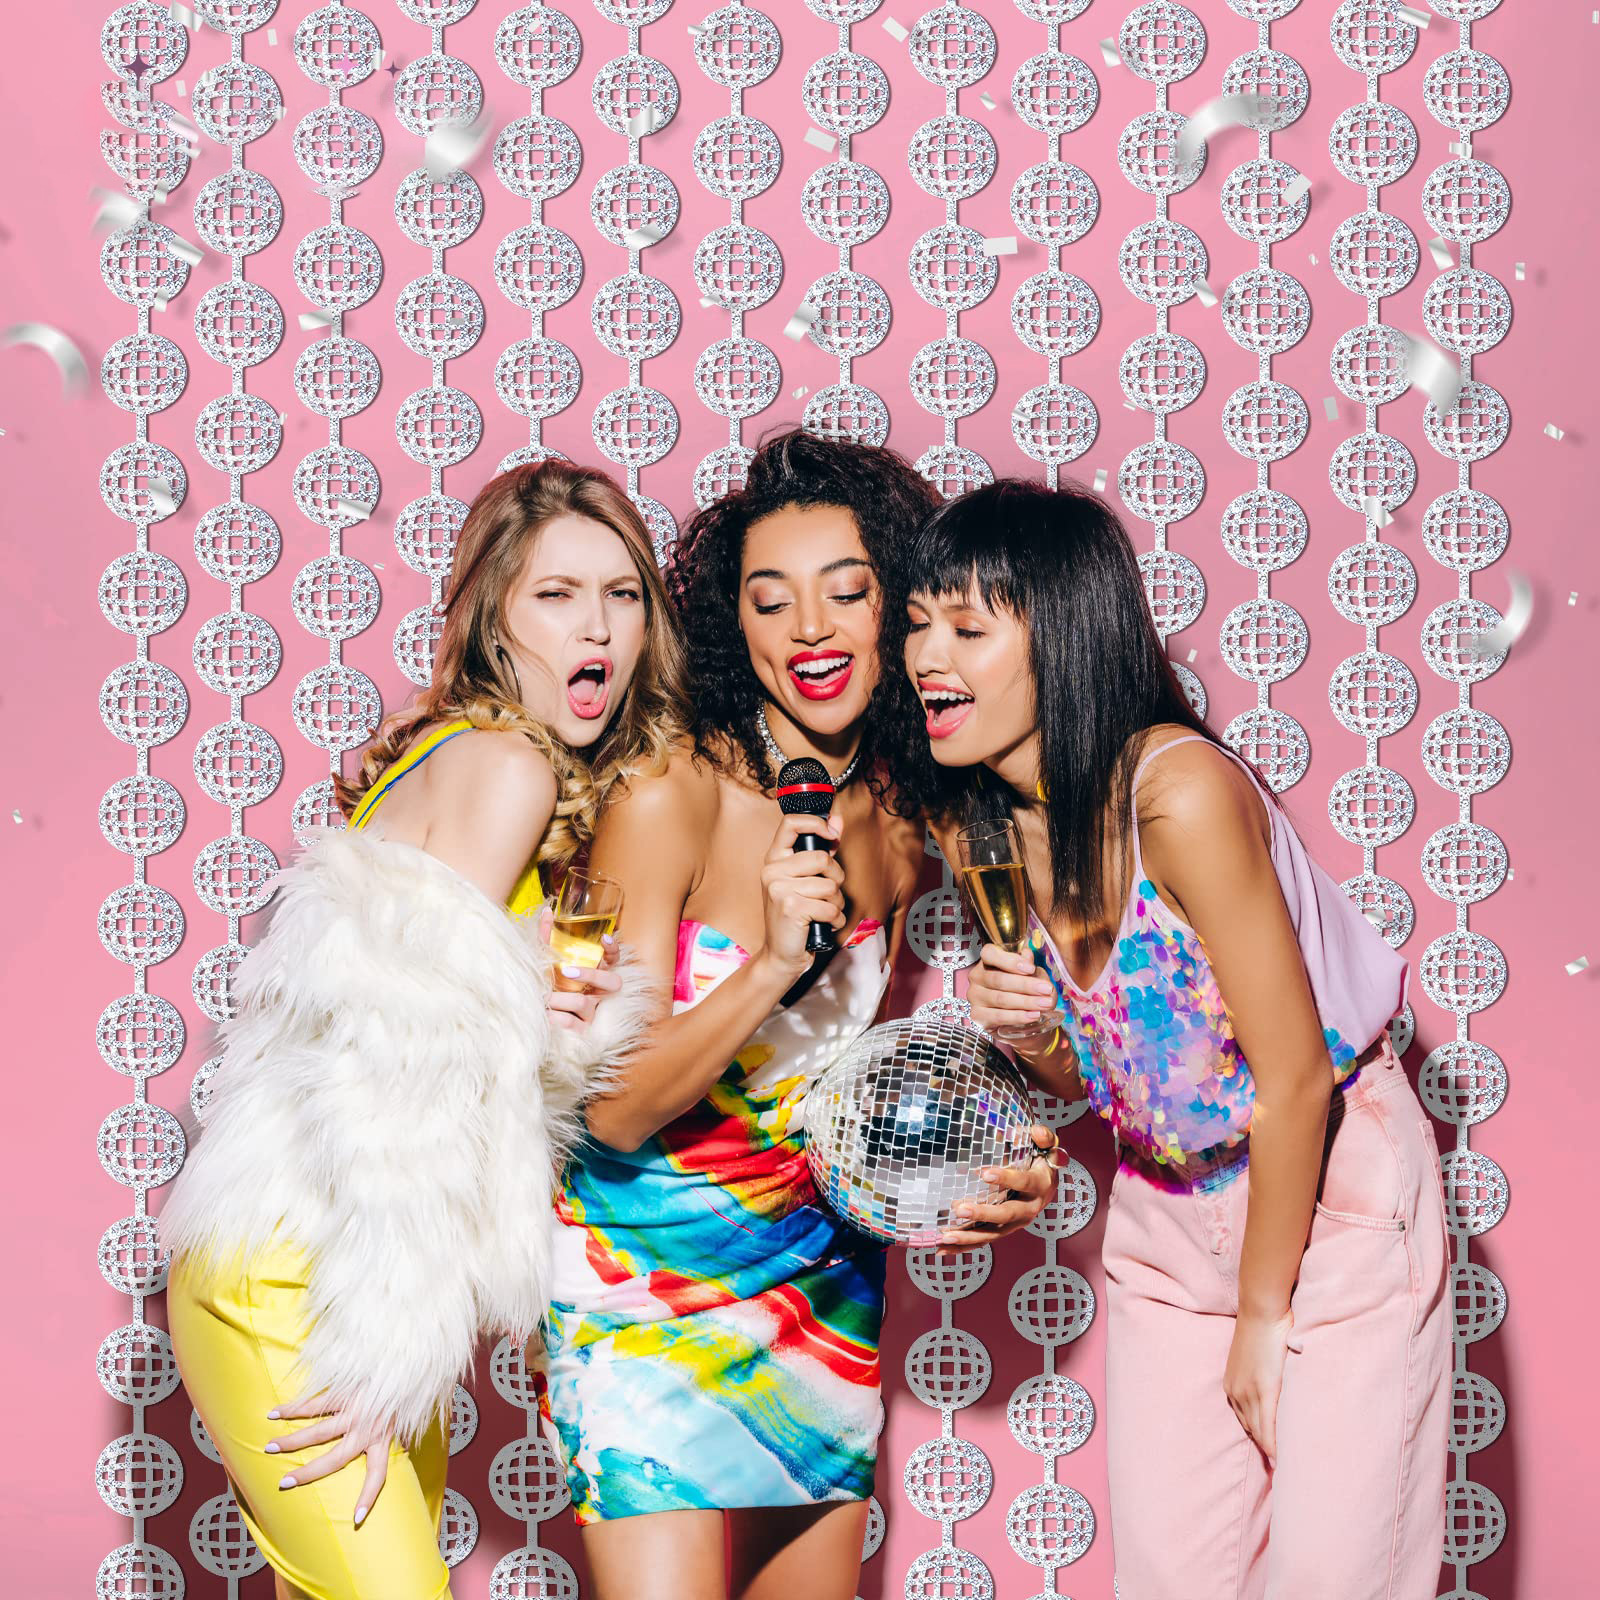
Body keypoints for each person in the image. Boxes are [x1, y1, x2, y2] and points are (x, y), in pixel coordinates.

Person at [888, 478, 1450, 1600]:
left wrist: (1263, 1313)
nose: (926, 657)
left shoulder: (1178, 794)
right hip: (1164, 1209)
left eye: (966, 627)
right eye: (916, 625)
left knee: (1335, 1580)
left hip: (1326, 1194)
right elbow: (1108, 1080)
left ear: (1064, 637)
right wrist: (1037, 1035)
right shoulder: (984, 825)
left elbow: (1295, 1078)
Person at [532, 430, 1059, 1600]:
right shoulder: (671, 796)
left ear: (900, 611)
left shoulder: (911, 811)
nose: (809, 629)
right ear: (737, 625)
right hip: (642, 1286)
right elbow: (607, 1111)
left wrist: (999, 1162)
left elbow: (860, 1080)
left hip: (820, 1276)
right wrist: (772, 961)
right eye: (771, 601)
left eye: (846, 592)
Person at [158, 460, 684, 1600]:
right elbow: (404, 1081)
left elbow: (427, 1015)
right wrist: (385, 1347)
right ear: (495, 617)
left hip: (328, 1266)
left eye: (622, 594)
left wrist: (537, 1018)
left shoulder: (465, 750)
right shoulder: (509, 768)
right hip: (313, 1281)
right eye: (556, 594)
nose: (597, 627)